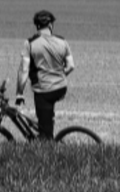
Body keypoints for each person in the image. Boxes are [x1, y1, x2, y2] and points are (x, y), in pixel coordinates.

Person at [15, 10, 75, 140]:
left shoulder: (30, 43)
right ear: (51, 25)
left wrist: (19, 93)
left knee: (44, 135)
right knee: (46, 122)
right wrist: (58, 76)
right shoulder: (62, 41)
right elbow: (71, 66)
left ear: (37, 26)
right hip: (61, 88)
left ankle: (47, 144)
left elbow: (24, 70)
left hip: (43, 90)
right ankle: (48, 134)